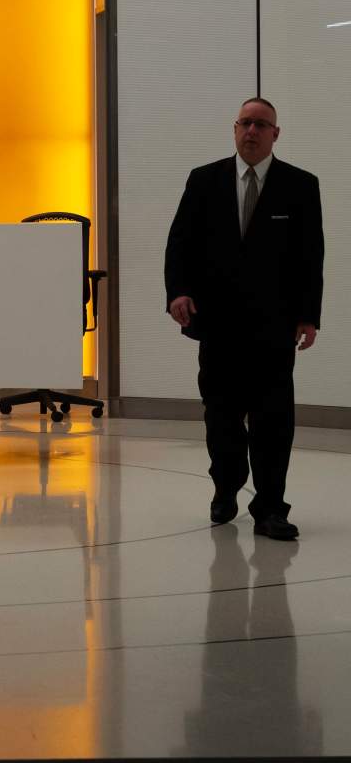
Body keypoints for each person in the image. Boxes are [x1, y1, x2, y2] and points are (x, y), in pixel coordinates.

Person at [164, 97, 324, 541]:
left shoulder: (300, 185)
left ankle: (271, 507)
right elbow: (179, 244)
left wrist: (309, 315)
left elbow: (311, 257)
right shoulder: (204, 181)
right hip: (217, 324)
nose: (252, 131)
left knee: (274, 421)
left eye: (262, 125)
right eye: (245, 123)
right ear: (235, 130)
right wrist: (177, 291)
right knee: (222, 416)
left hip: (274, 327)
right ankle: (226, 486)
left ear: (276, 134)